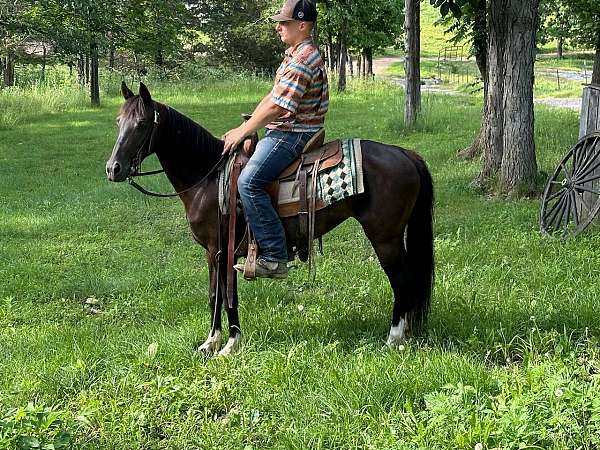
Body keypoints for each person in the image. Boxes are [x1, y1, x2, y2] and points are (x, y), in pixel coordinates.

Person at [222, 0, 329, 279]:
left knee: (249, 182)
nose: (278, 27)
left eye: (285, 22)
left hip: (293, 133)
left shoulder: (303, 59)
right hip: (285, 128)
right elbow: (272, 97)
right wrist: (243, 127)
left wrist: (243, 133)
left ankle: (273, 256)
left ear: (302, 25)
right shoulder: (294, 54)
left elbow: (279, 108)